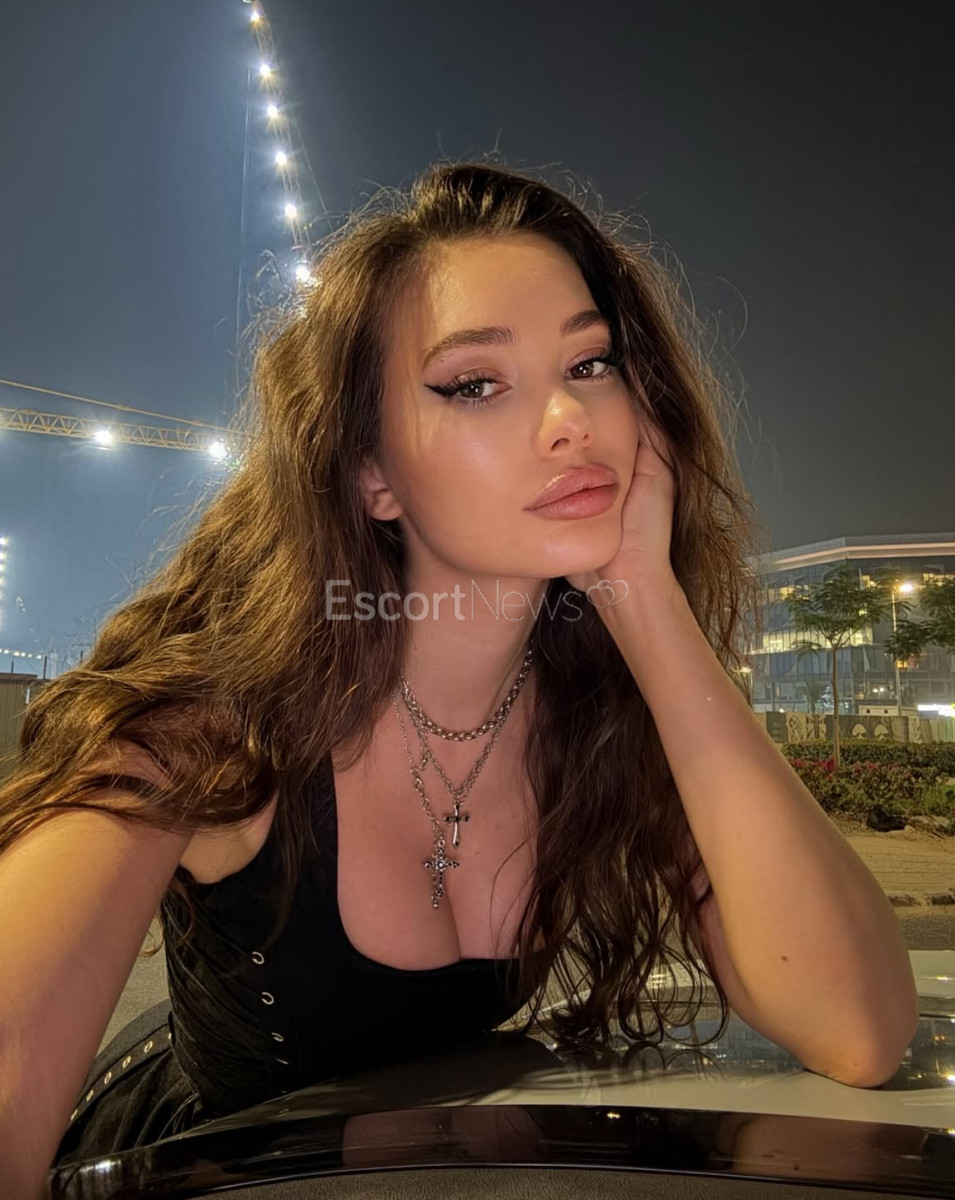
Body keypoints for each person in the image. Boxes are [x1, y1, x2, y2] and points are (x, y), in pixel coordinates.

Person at [0, 160, 918, 1195]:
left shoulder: (600, 722)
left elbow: (856, 1028)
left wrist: (642, 597)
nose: (569, 420)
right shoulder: (211, 729)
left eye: (590, 363)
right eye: (475, 383)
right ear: (372, 476)